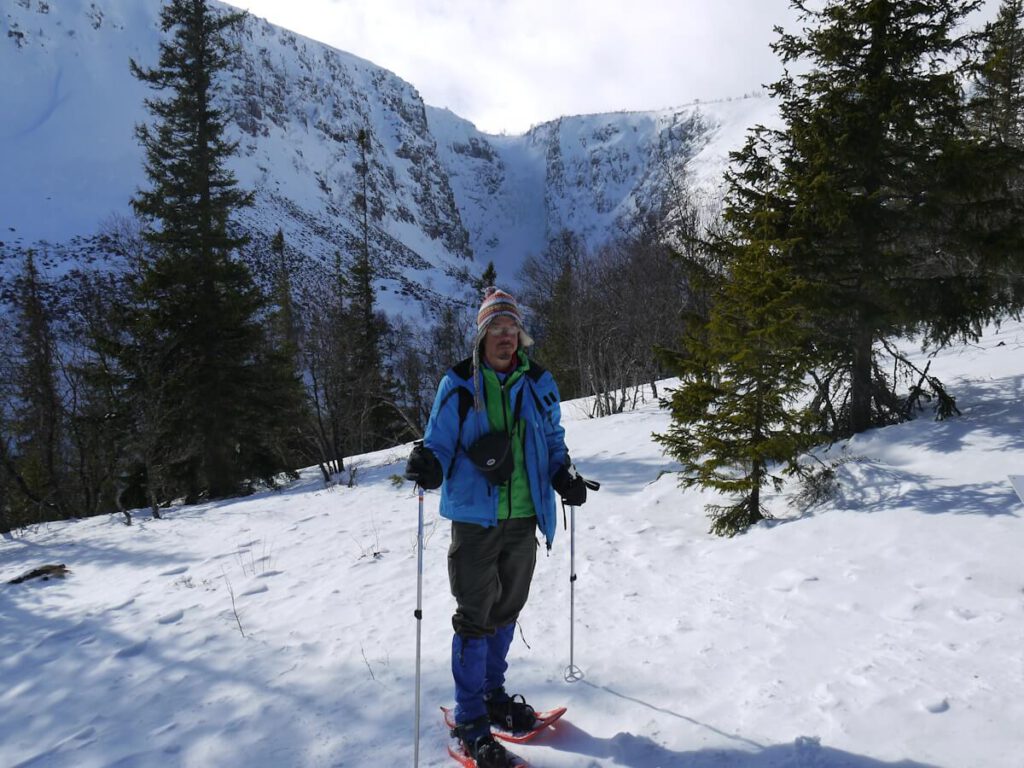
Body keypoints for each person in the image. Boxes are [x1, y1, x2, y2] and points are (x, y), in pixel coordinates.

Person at [404, 286, 589, 767]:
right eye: (497, 330)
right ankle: (471, 721)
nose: (506, 339)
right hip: (474, 518)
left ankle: (492, 695)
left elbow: (552, 439)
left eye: (513, 330)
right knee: (474, 615)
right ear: (483, 334)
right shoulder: (460, 383)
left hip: (524, 515)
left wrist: (563, 474)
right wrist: (428, 463)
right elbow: (440, 442)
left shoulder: (539, 382)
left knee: (507, 609)